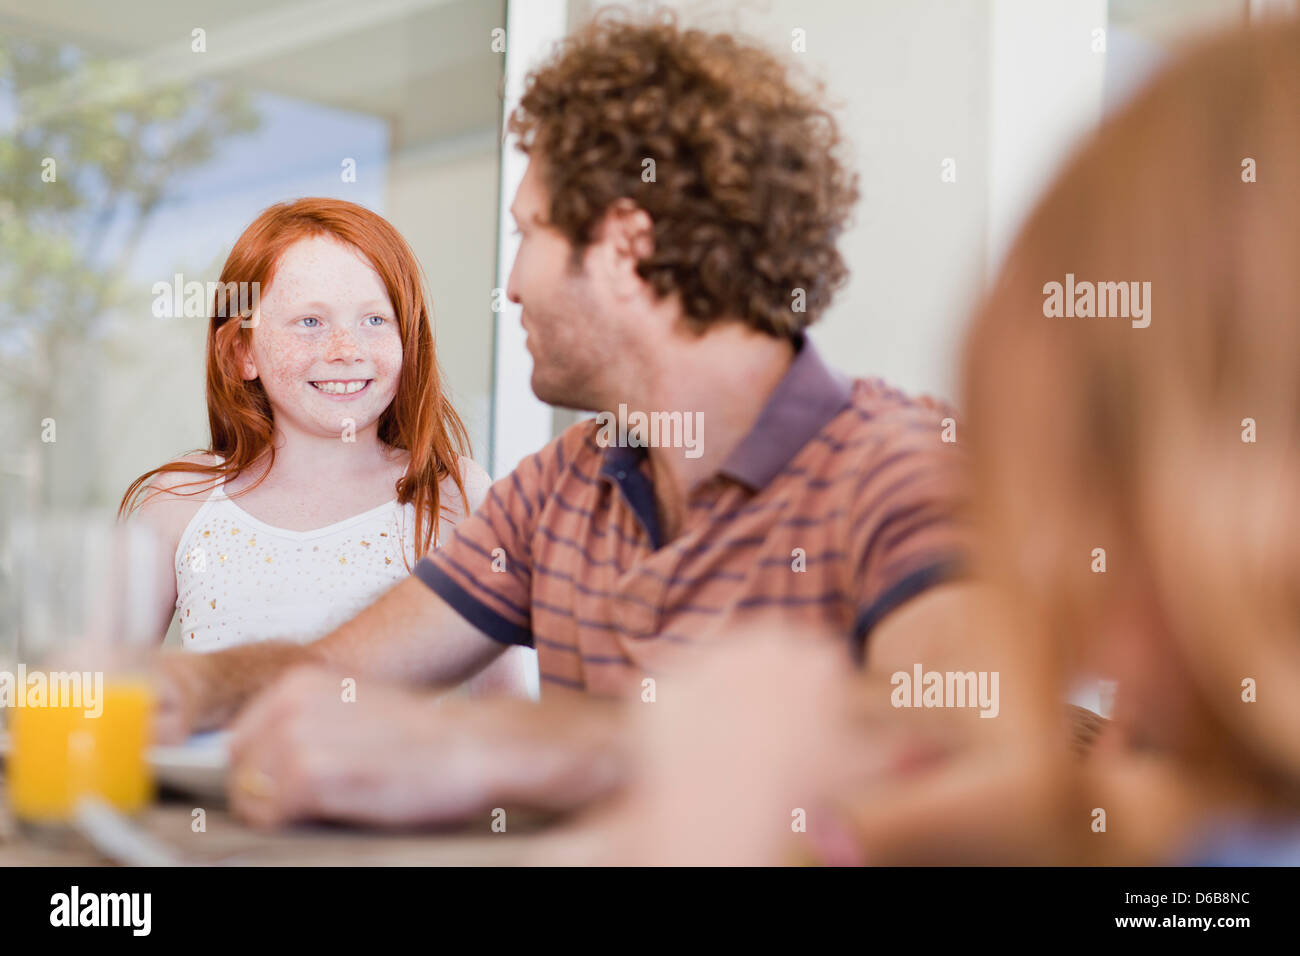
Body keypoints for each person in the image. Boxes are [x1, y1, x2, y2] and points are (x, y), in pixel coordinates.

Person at [158, 11, 987, 828]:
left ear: (625, 247)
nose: (511, 282)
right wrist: (188, 688)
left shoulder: (900, 466)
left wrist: (507, 748)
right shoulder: (558, 491)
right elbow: (330, 668)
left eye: (529, 234)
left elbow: (979, 759)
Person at [569, 17, 1300, 865]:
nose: (1049, 578)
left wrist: (716, 822)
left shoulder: (884, 455)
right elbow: (1131, 809)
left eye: (1090, 493)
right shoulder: (1232, 790)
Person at [122, 198, 528, 694]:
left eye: (375, 320)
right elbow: (102, 682)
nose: (346, 350)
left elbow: (501, 706)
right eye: (310, 322)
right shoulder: (182, 501)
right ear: (241, 350)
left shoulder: (455, 497)